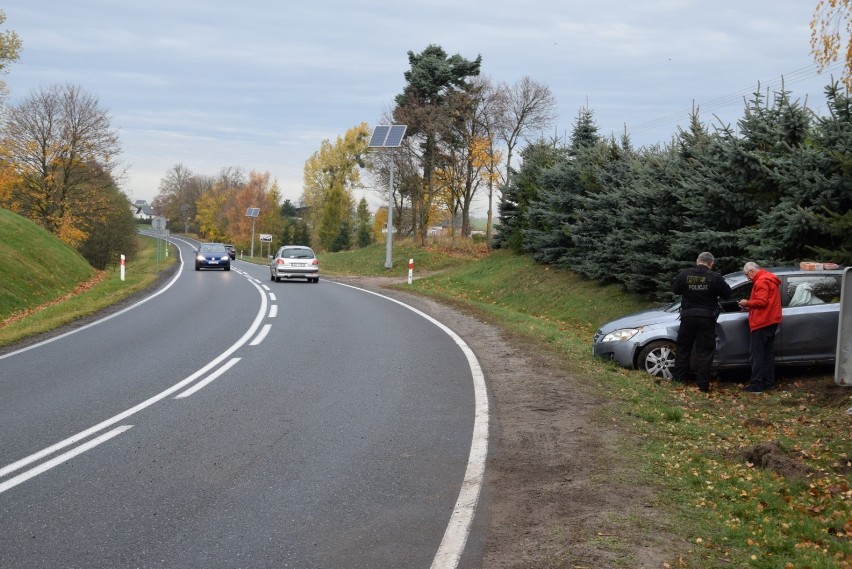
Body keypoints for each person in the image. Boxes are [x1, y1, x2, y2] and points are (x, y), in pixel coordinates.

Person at [671, 252, 732, 393]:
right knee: (705, 351)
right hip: (706, 318)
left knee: (683, 348)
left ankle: (678, 379)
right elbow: (727, 294)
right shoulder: (715, 277)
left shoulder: (684, 274)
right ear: (711, 264)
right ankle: (703, 385)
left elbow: (675, 289)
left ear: (697, 261)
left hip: (687, 317)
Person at [737, 261, 782, 393]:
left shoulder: (761, 281)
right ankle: (769, 383)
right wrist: (749, 307)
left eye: (747, 275)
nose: (748, 278)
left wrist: (747, 302)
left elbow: (762, 302)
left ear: (751, 271)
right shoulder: (769, 278)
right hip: (771, 320)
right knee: (768, 354)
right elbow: (766, 302)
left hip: (762, 322)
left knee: (757, 355)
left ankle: (756, 384)